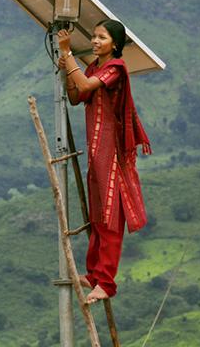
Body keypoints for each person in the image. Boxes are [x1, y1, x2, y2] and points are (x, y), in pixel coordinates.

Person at [57, 19, 151, 305]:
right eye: (94, 37)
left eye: (101, 38)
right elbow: (76, 96)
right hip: (97, 150)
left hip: (112, 152)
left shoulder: (116, 69)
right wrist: (65, 71)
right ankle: (95, 274)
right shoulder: (94, 67)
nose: (95, 41)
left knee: (110, 218)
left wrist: (68, 53)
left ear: (115, 44)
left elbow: (84, 84)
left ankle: (106, 283)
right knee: (97, 216)